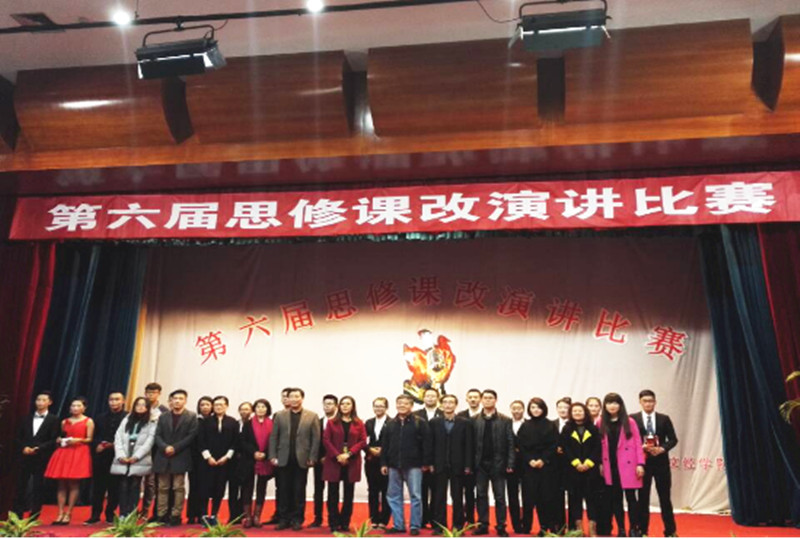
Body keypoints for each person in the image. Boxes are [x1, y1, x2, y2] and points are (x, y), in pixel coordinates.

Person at [268, 387, 321, 531]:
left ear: (302, 398)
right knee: (283, 490)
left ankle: (297, 519)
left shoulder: (312, 416)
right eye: (292, 396)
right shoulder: (280, 415)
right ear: (288, 399)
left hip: (302, 459)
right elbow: (274, 436)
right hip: (283, 458)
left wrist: (313, 457)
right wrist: (272, 455)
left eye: (297, 396)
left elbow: (316, 439)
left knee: (299, 491)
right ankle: (283, 519)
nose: (294, 399)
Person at [381, 394, 432, 536]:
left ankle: (415, 525)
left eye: (405, 403)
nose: (402, 406)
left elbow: (427, 444)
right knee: (393, 496)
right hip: (393, 465)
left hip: (414, 465)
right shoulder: (390, 424)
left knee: (416, 496)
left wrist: (426, 463)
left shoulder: (419, 422)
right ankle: (398, 525)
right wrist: (384, 463)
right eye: (399, 403)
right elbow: (385, 445)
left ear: (411, 406)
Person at [597, 393, 645, 537]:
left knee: (631, 499)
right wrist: (599, 463)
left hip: (628, 465)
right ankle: (621, 529)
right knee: (615, 499)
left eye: (615, 403)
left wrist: (640, 463)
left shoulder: (629, 421)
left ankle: (634, 528)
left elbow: (638, 443)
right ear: (605, 406)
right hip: (610, 465)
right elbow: (597, 445)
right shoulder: (600, 422)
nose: (612, 406)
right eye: (609, 403)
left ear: (620, 405)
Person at [632, 390, 678, 538]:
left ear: (655, 402)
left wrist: (662, 448)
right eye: (645, 401)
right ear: (640, 402)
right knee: (643, 498)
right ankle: (642, 531)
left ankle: (670, 531)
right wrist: (641, 447)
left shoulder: (664, 419)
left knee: (665, 498)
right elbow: (628, 440)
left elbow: (673, 439)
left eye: (651, 401)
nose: (648, 404)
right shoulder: (632, 419)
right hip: (642, 464)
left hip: (661, 463)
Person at [45, 396, 94, 525]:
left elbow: (90, 439)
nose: (75, 408)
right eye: (73, 406)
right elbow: (61, 435)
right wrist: (59, 440)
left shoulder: (88, 421)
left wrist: (78, 440)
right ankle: (60, 512)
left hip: (79, 451)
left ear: (84, 408)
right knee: (61, 484)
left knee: (74, 483)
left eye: (78, 406)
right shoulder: (64, 421)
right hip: (65, 452)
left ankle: (69, 512)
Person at [153, 389, 198, 527]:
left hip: (181, 455)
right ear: (171, 400)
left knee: (178, 488)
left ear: (185, 400)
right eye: (175, 398)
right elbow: (157, 435)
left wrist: (175, 447)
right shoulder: (163, 416)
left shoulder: (191, 416)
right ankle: (161, 515)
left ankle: (176, 515)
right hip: (163, 455)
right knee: (162, 487)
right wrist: (164, 447)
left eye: (180, 398)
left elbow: (191, 436)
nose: (177, 401)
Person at [429, 394, 473, 535]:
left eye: (451, 402)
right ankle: (439, 526)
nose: (448, 405)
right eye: (445, 402)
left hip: (458, 465)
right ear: (441, 405)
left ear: (456, 405)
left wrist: (468, 465)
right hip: (439, 464)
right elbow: (430, 445)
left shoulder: (465, 423)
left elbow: (468, 446)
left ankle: (458, 526)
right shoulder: (434, 422)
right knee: (438, 497)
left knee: (457, 496)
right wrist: (430, 463)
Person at [473, 389, 514, 537]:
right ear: (481, 400)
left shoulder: (505, 420)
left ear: (495, 400)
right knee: (481, 495)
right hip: (480, 465)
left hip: (499, 464)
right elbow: (471, 444)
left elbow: (510, 443)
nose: (488, 400)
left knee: (500, 497)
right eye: (485, 398)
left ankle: (501, 526)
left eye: (490, 398)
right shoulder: (474, 420)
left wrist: (510, 463)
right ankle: (483, 524)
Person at [323, 396, 367, 533]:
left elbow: (363, 441)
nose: (345, 406)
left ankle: (345, 522)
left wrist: (349, 454)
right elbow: (326, 440)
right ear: (339, 406)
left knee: (349, 494)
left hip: (351, 461)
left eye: (348, 404)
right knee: (333, 494)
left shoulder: (359, 423)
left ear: (353, 406)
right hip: (334, 462)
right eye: (342, 404)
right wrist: (338, 455)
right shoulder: (331, 422)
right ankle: (333, 522)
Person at [13, 391, 60, 518]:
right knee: (21, 485)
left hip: (41, 457)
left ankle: (35, 514)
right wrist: (24, 447)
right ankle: (17, 514)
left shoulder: (54, 419)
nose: (40, 402)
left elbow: (54, 439)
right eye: (38, 400)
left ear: (50, 402)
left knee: (38, 486)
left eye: (43, 400)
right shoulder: (26, 418)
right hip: (25, 456)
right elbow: (17, 436)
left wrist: (39, 448)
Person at [518, 397, 557, 536]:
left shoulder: (551, 425)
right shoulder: (525, 425)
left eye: (538, 407)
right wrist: (529, 460)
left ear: (543, 409)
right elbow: (521, 445)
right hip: (529, 467)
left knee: (544, 499)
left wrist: (543, 460)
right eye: (533, 407)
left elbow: (553, 445)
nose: (536, 410)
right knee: (528, 498)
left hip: (545, 467)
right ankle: (526, 527)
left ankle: (544, 527)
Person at [86, 391, 126, 524]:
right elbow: (93, 436)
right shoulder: (100, 417)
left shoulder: (127, 418)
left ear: (123, 401)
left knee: (115, 487)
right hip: (101, 455)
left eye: (117, 399)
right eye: (111, 399)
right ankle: (95, 514)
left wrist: (115, 445)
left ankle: (110, 513)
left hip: (118, 456)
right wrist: (98, 444)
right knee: (98, 487)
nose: (114, 402)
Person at [111, 397, 156, 518]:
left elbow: (149, 441)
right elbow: (118, 437)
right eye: (138, 404)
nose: (140, 407)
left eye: (143, 405)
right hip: (124, 454)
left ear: (147, 407)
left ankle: (131, 514)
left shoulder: (151, 422)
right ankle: (122, 513)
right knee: (123, 485)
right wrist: (121, 455)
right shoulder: (127, 419)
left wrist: (136, 456)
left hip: (139, 457)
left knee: (135, 486)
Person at [561, 402, 601, 536]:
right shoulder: (567, 428)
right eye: (575, 411)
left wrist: (588, 463)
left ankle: (592, 528)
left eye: (580, 411)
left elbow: (597, 447)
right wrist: (576, 463)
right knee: (575, 500)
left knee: (592, 499)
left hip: (591, 471)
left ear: (585, 412)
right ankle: (579, 529)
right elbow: (566, 448)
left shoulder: (593, 428)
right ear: (571, 413)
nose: (577, 413)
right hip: (573, 471)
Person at [198, 396, 238, 526]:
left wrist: (227, 457)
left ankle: (214, 515)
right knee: (204, 488)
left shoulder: (232, 422)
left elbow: (235, 442)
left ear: (226, 406)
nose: (218, 407)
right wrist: (208, 457)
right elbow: (201, 441)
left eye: (221, 405)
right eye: (216, 405)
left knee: (219, 489)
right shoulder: (206, 421)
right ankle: (204, 516)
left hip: (225, 462)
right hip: (207, 461)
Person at [240, 398, 274, 528]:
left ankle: (257, 517)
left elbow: (274, 441)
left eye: (263, 407)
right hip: (249, 460)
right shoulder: (248, 424)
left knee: (261, 488)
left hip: (265, 461)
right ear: (254, 409)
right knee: (247, 488)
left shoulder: (272, 423)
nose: (260, 409)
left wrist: (265, 453)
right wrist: (254, 452)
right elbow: (243, 441)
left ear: (267, 409)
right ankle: (248, 517)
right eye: (258, 407)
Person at [414, 387, 444, 529]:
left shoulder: (444, 414)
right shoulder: (415, 415)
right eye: (428, 396)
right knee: (421, 491)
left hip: (438, 459)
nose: (430, 398)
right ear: (423, 398)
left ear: (438, 398)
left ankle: (435, 520)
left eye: (433, 396)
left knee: (437, 492)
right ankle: (422, 518)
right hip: (419, 460)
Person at [266, 387, 293, 526]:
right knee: (280, 487)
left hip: (295, 457)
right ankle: (280, 515)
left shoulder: (304, 415)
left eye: (288, 396)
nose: (285, 399)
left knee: (294, 488)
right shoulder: (277, 415)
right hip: (280, 457)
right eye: (283, 396)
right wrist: (273, 456)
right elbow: (274, 437)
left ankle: (293, 517)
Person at [141, 382, 169, 519]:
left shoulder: (164, 411)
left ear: (159, 394)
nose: (151, 395)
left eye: (154, 392)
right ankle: (133, 510)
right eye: (149, 392)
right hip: (139, 448)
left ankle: (147, 510)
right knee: (136, 480)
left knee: (151, 482)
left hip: (156, 449)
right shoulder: (140, 407)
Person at [364, 397, 391, 530]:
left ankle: (384, 520)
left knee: (386, 491)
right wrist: (369, 450)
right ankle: (374, 519)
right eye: (376, 406)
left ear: (386, 408)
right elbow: (362, 440)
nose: (378, 408)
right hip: (371, 461)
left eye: (381, 406)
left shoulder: (392, 422)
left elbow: (395, 442)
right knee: (372, 490)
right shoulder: (368, 422)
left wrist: (383, 451)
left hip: (386, 462)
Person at [312, 394, 338, 528]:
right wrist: (317, 457)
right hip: (318, 461)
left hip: (334, 461)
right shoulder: (317, 422)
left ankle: (333, 519)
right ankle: (317, 518)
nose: (327, 406)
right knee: (318, 490)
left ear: (336, 406)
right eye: (325, 404)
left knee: (333, 491)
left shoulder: (339, 422)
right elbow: (313, 442)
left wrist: (328, 457)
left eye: (330, 404)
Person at [457, 388, 483, 527]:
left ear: (480, 399)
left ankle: (477, 519)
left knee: (479, 492)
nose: (473, 399)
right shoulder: (460, 416)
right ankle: (465, 518)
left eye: (476, 397)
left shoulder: (484, 415)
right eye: (470, 397)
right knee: (464, 490)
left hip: (481, 459)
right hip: (464, 459)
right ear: (466, 399)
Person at [187, 396, 213, 524]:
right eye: (202, 405)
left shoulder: (214, 421)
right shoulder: (194, 420)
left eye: (208, 404)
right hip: (194, 458)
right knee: (193, 487)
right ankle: (191, 515)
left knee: (205, 488)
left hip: (209, 459)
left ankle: (203, 513)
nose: (205, 407)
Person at [228, 401, 253, 525]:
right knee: (233, 489)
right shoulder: (235, 424)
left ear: (251, 411)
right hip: (233, 461)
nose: (244, 411)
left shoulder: (253, 425)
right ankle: (233, 515)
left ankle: (244, 514)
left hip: (248, 461)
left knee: (246, 489)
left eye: (247, 409)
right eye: (242, 409)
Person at [552, 397, 572, 533]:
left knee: (573, 497)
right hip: (554, 466)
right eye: (560, 407)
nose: (563, 410)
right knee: (556, 496)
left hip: (571, 465)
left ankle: (573, 526)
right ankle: (559, 526)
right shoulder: (551, 424)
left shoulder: (574, 424)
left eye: (566, 407)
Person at [507, 400, 526, 534]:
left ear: (523, 410)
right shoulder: (506, 423)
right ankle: (516, 524)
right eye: (514, 408)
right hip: (511, 464)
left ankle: (526, 522)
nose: (516, 411)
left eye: (519, 408)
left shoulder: (529, 424)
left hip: (526, 464)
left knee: (527, 495)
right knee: (512, 495)